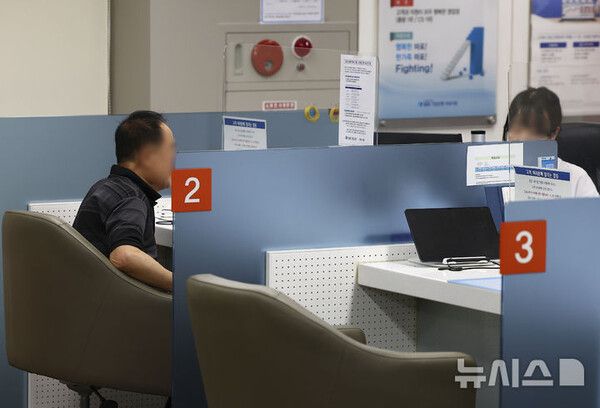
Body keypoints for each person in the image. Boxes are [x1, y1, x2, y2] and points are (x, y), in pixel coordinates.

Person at [73, 111, 175, 292]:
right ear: (147, 156)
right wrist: (179, 285)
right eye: (170, 150)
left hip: (87, 298)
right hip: (114, 303)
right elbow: (124, 256)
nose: (174, 159)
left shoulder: (106, 187)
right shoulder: (132, 198)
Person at [503, 87, 599, 198]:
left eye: (535, 130)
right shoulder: (497, 173)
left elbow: (592, 209)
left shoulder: (577, 177)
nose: (524, 137)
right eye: (518, 128)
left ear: (553, 134)